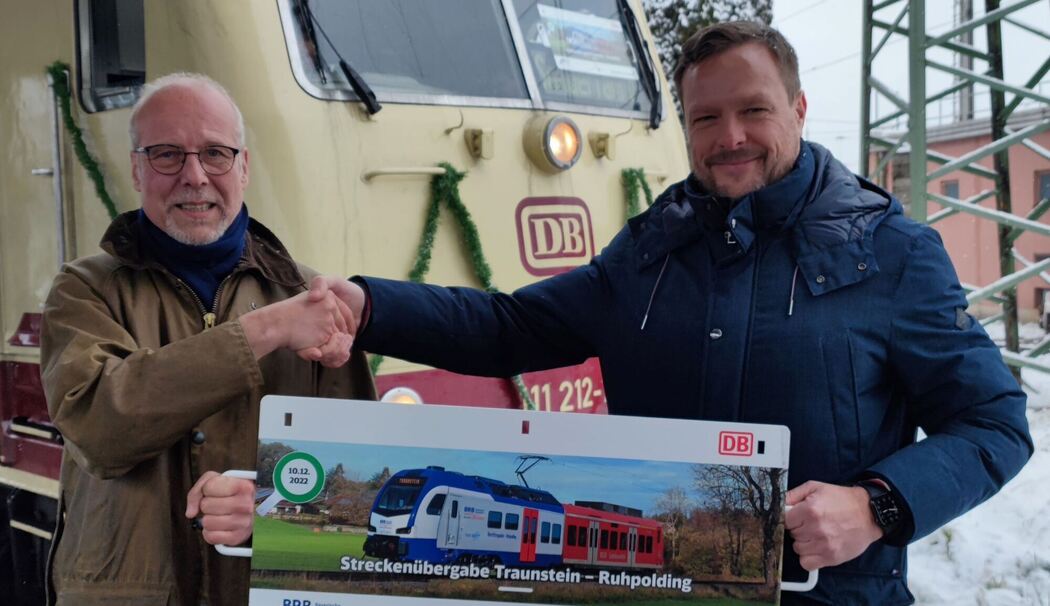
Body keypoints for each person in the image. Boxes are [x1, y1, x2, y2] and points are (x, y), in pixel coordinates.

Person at [292, 22, 1033, 604]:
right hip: (657, 591)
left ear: (800, 109)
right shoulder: (648, 255)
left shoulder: (889, 255)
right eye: (706, 117)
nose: (729, 137)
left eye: (754, 111)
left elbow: (995, 423)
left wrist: (879, 506)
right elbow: (509, 327)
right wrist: (370, 305)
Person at [40, 73, 374, 605]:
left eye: (216, 154)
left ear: (243, 167)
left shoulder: (308, 297)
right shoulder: (84, 290)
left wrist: (272, 507)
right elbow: (101, 428)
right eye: (167, 155)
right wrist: (264, 330)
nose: (194, 176)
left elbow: (357, 489)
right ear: (136, 168)